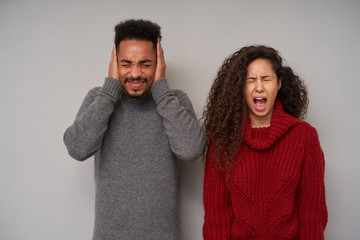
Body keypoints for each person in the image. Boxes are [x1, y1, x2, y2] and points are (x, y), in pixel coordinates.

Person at [63, 19, 205, 240]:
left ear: (159, 64)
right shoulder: (99, 99)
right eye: (126, 63)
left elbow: (191, 150)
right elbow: (77, 148)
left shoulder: (174, 100)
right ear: (114, 63)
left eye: (145, 64)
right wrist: (109, 91)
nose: (135, 73)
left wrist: (161, 92)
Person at [202, 45, 328, 239]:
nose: (258, 86)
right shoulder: (222, 140)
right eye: (250, 80)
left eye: (266, 79)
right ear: (240, 87)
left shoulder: (304, 137)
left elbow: (312, 214)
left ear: (279, 84)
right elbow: (216, 217)